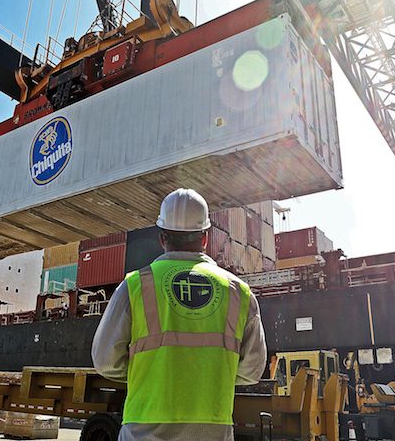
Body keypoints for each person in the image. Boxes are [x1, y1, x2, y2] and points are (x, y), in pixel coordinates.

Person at [92, 188, 267, 441]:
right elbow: (252, 370)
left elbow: (105, 361)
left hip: (144, 430)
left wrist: (149, 372)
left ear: (162, 237)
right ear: (205, 238)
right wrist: (212, 374)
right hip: (213, 431)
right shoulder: (239, 292)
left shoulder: (134, 286)